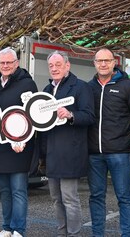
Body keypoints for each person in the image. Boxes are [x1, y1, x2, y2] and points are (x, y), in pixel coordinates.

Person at [88, 49, 130, 237]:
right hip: (94, 153)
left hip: (119, 152)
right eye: (99, 61)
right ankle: (97, 234)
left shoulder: (128, 86)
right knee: (96, 197)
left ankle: (127, 234)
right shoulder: (89, 87)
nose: (103, 64)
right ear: (94, 63)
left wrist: (125, 137)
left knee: (124, 197)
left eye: (107, 61)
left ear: (113, 63)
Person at [42, 51, 95, 237]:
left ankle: (74, 234)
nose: (54, 68)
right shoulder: (46, 91)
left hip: (71, 152)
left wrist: (71, 115)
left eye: (58, 64)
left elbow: (89, 116)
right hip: (52, 153)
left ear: (67, 66)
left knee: (70, 199)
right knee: (56, 199)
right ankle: (62, 233)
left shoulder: (80, 87)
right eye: (51, 66)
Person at [0, 48, 38, 237]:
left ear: (17, 63)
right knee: (4, 191)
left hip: (19, 147)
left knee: (18, 190)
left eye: (9, 62)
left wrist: (23, 139)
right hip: (0, 146)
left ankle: (19, 229)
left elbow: (33, 116)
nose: (6, 66)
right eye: (2, 63)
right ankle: (7, 227)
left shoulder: (27, 84)